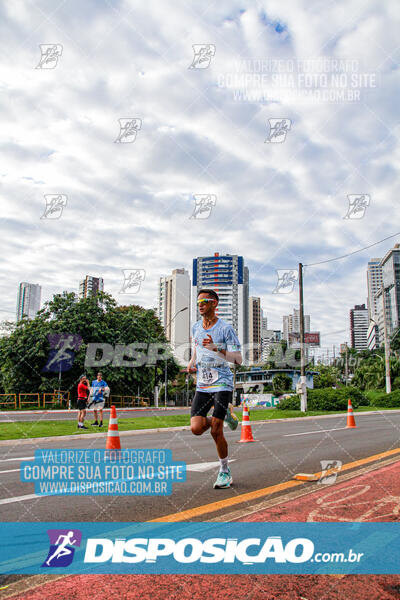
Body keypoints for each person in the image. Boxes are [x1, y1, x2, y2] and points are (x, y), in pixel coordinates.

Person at [187, 289, 242, 489]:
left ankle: (224, 471)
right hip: (203, 383)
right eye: (198, 301)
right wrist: (192, 362)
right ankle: (226, 416)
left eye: (205, 301)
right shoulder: (195, 327)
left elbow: (238, 359)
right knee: (196, 428)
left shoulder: (226, 329)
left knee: (216, 431)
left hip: (222, 382)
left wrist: (215, 349)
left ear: (214, 304)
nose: (200, 304)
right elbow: (196, 347)